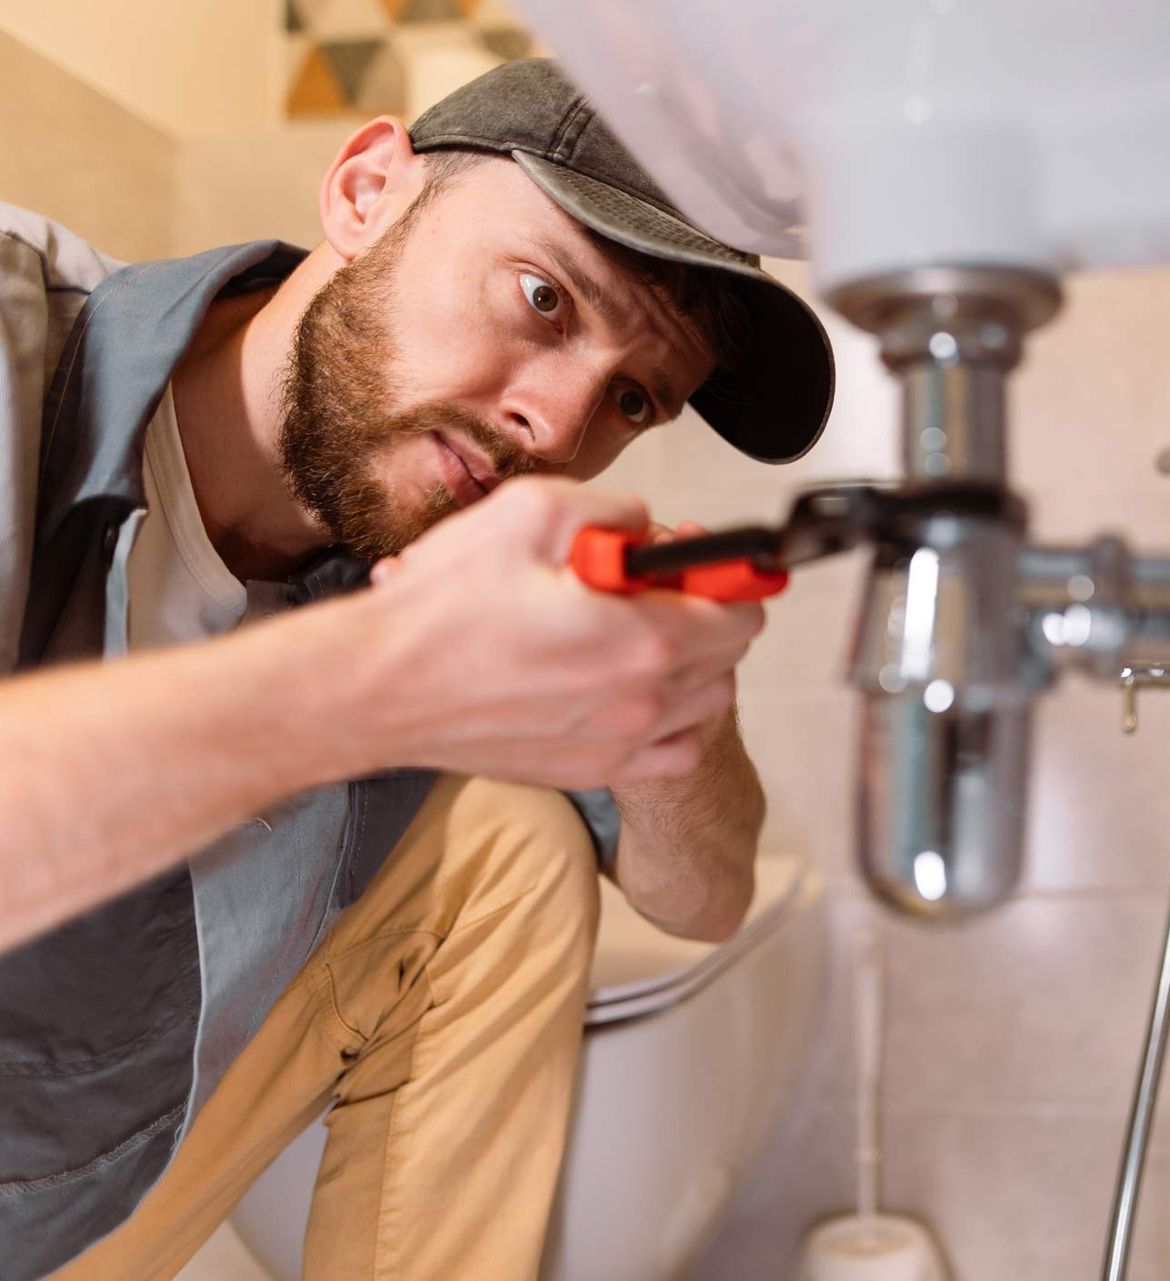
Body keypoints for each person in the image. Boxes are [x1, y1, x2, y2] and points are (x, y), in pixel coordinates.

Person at [0, 57, 834, 1281]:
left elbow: (702, 896)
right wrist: (376, 679)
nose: (560, 426)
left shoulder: (435, 539)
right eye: (545, 299)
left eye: (633, 399)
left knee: (508, 845)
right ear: (366, 188)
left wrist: (679, 718)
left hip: (79, 1214)